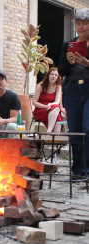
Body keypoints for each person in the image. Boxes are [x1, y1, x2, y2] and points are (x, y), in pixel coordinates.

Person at [58, 8, 89, 177]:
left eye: (84, 23)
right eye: (78, 23)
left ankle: (87, 169)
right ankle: (78, 171)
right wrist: (69, 63)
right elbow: (61, 71)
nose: (81, 27)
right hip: (72, 90)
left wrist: (86, 63)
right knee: (75, 132)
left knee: (87, 129)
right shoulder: (67, 45)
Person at [32, 67, 63, 132]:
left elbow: (57, 102)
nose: (53, 76)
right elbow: (34, 102)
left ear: (57, 77)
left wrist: (50, 105)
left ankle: (50, 134)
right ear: (48, 75)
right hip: (40, 110)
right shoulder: (40, 86)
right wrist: (45, 106)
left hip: (52, 109)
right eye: (52, 74)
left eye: (56, 75)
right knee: (57, 115)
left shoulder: (58, 87)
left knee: (56, 108)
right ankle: (51, 135)